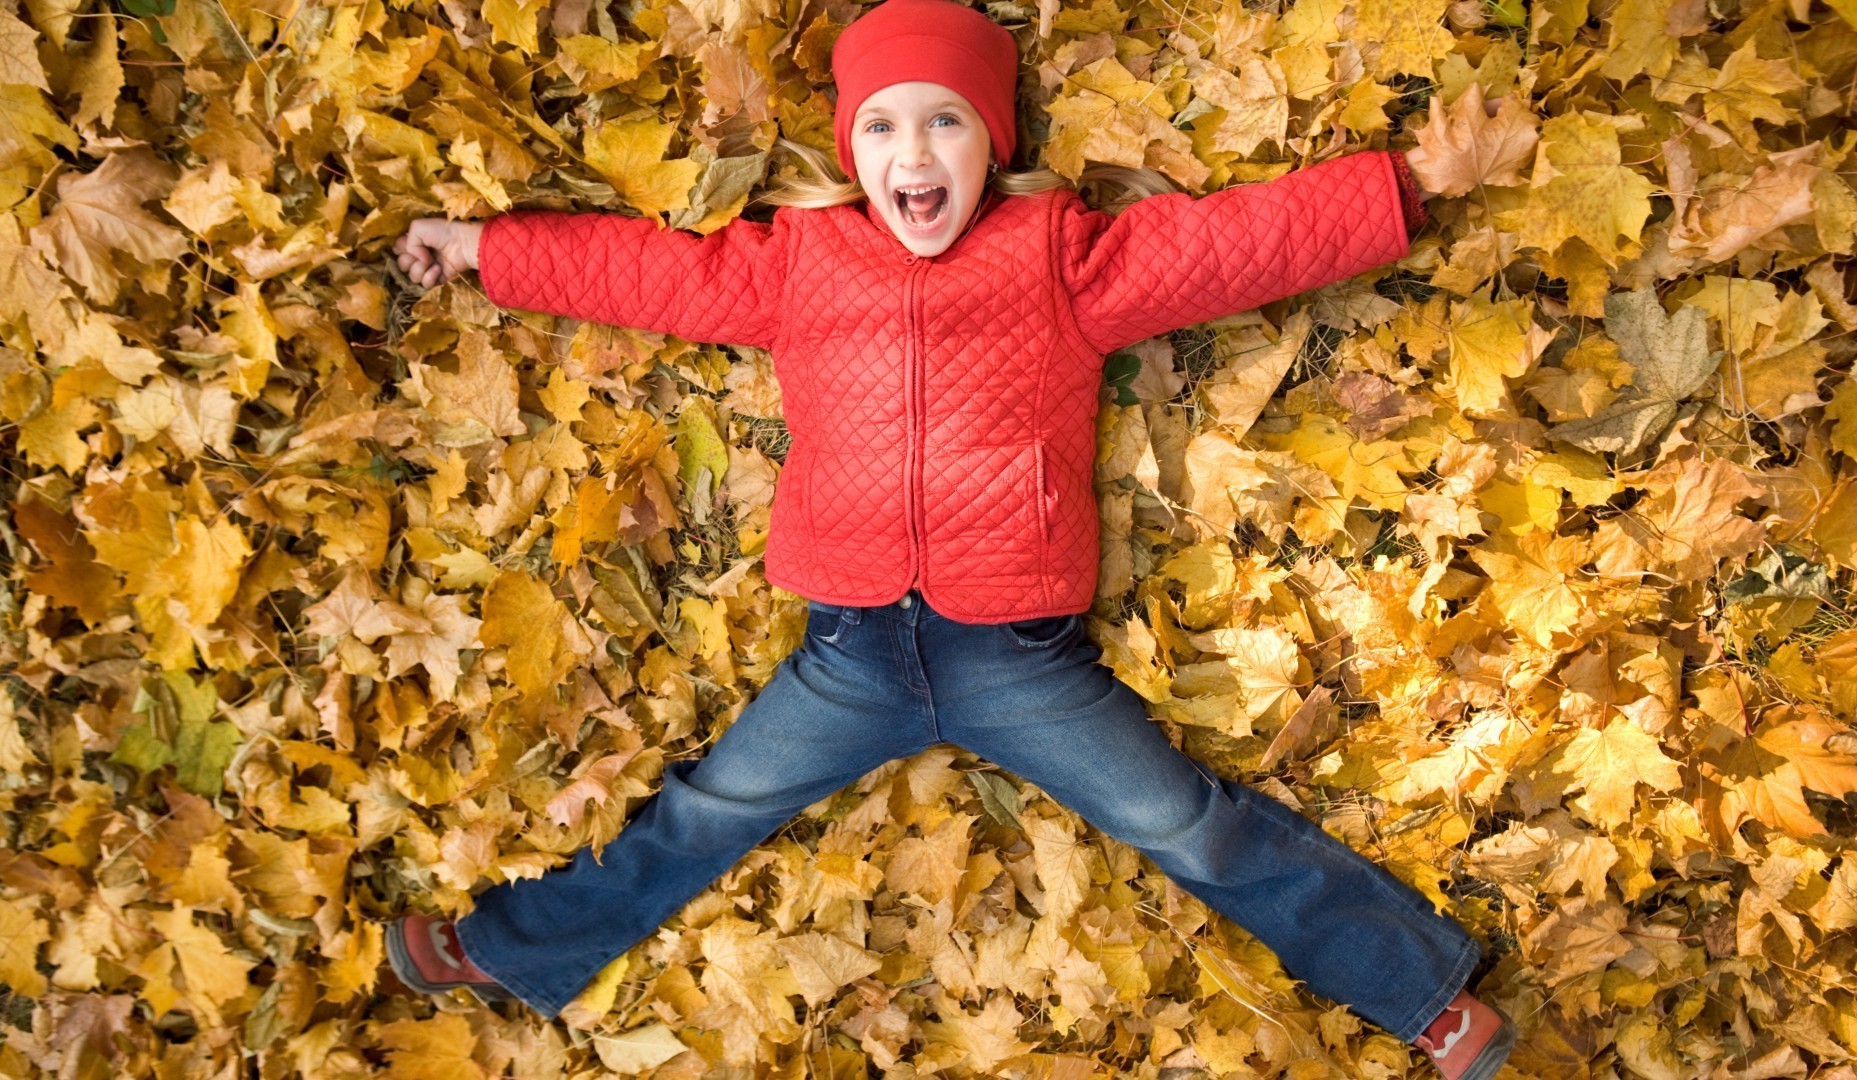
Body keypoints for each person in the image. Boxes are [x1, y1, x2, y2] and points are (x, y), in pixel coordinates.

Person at [386, 1, 1513, 1075]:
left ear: (992, 142)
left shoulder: (1060, 259)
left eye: (944, 120)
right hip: (849, 655)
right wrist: (481, 247)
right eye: (881, 124)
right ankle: (510, 947)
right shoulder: (802, 264)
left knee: (1186, 824)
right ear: (851, 149)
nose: (912, 150)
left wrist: (1408, 183)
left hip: (1017, 658)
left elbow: (1236, 245)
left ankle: (1423, 995)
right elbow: (642, 273)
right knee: (704, 812)